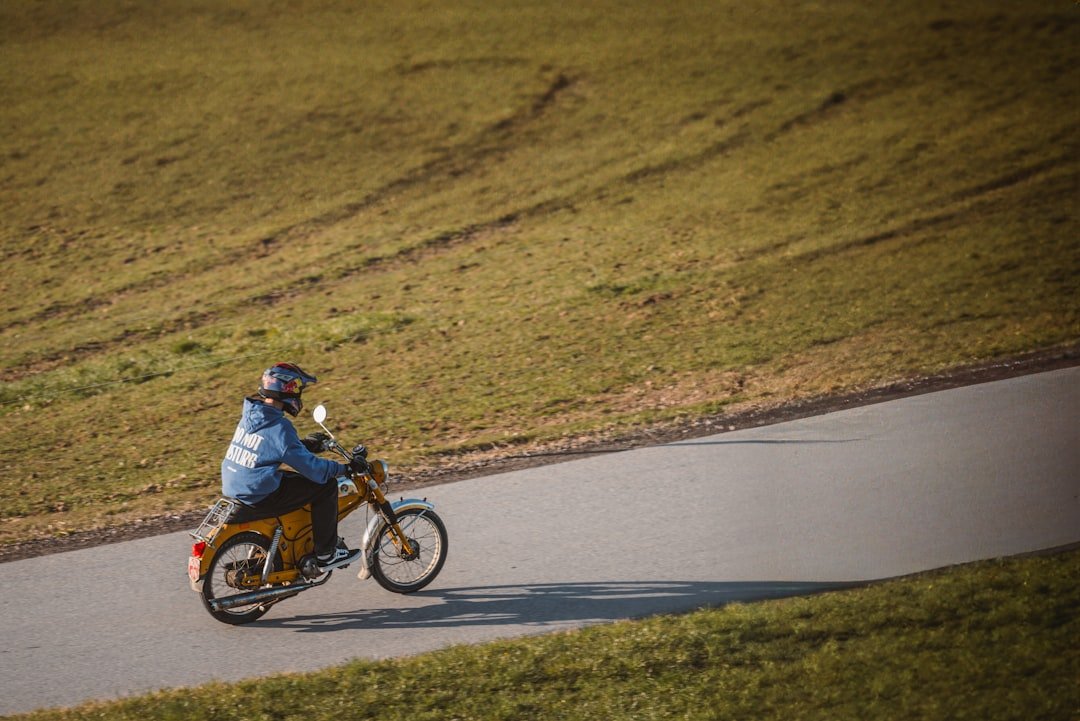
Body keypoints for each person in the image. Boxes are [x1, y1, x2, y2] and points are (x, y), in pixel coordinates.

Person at [221, 362, 362, 572]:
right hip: (258, 492)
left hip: (237, 483)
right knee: (325, 486)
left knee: (295, 480)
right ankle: (326, 553)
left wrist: (304, 445)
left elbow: (269, 447)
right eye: (299, 389)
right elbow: (314, 469)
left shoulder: (252, 414)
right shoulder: (280, 427)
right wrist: (344, 469)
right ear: (289, 389)